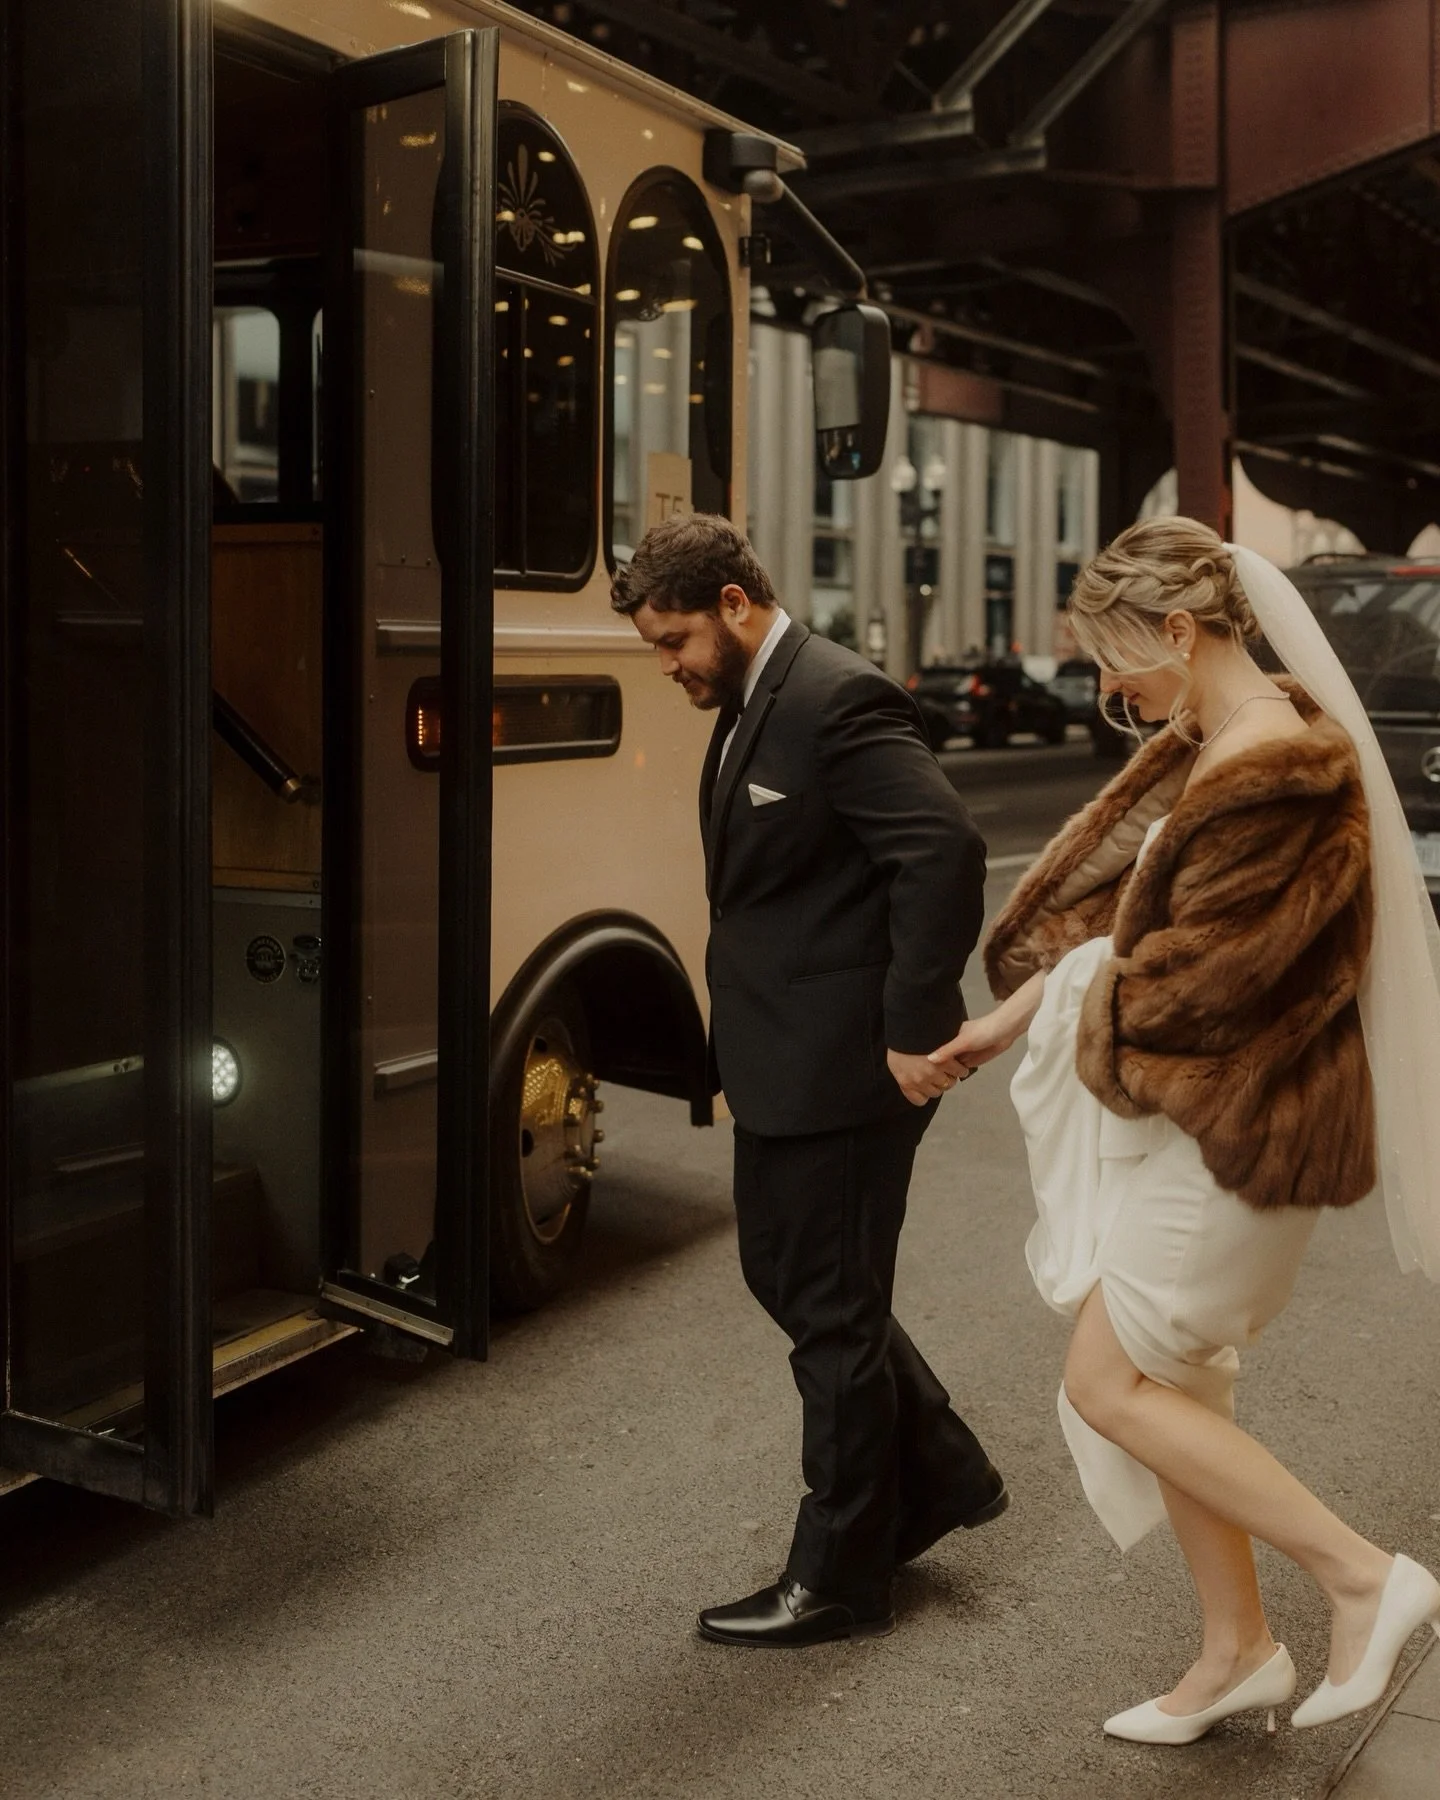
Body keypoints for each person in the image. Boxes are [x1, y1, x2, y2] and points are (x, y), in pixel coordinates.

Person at [930, 517, 1440, 1743]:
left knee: (1108, 1383)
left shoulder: (1279, 768)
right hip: (1217, 1128)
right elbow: (1136, 937)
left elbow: (1205, 986)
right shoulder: (1234, 745)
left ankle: (1366, 1580)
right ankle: (1235, 1654)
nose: (1110, 689)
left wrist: (1073, 1019)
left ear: (1177, 629)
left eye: (1116, 660)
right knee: (1176, 1387)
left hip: (1243, 1136)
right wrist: (1013, 1017)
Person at [612, 512, 1006, 1648]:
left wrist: (915, 1027)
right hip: (785, 1055)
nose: (668, 664)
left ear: (735, 604)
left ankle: (840, 1573)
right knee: (792, 1276)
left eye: (675, 639)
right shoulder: (753, 699)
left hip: (844, 1067)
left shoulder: (837, 698)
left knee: (830, 1313)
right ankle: (940, 1473)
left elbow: (942, 851)